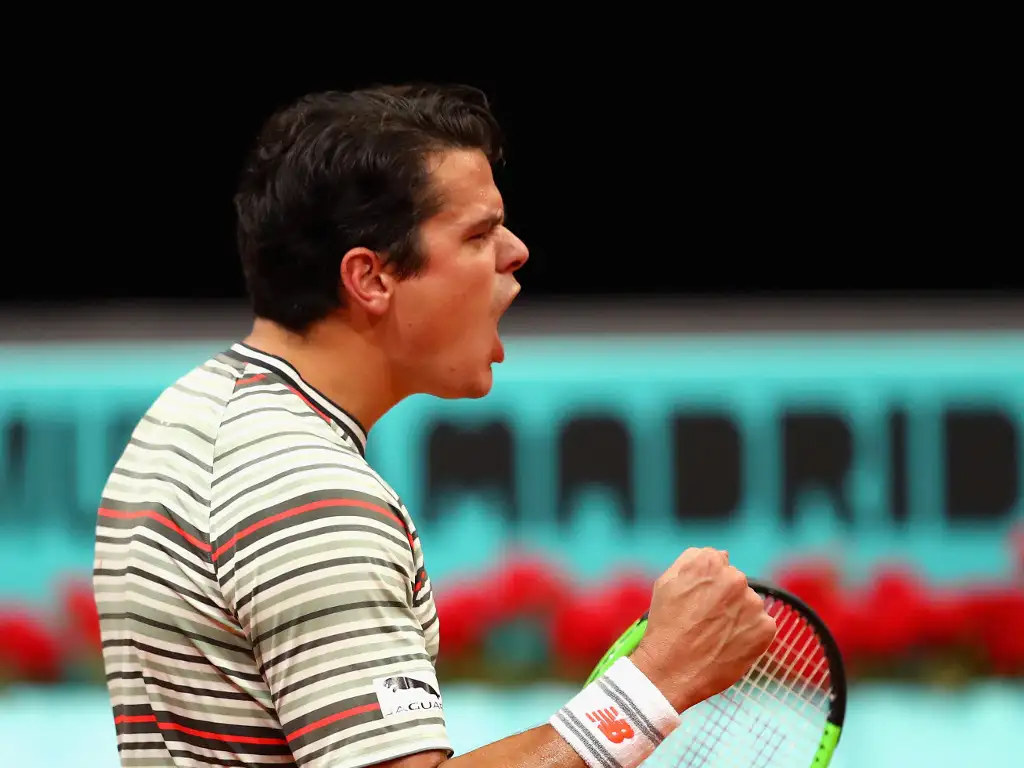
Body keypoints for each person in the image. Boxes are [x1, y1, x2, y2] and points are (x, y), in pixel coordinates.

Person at [93, 84, 777, 768]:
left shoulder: (191, 412)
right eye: (478, 234)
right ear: (371, 278)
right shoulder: (309, 493)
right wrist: (657, 684)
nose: (517, 252)